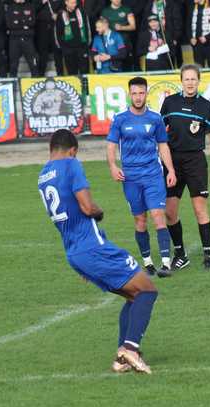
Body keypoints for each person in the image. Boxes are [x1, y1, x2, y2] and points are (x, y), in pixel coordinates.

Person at [38, 128, 160, 374]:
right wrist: (99, 211)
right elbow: (86, 206)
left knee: (132, 295)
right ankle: (130, 349)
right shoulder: (71, 165)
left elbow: (64, 221)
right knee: (147, 290)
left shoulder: (42, 176)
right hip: (92, 247)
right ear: (73, 150)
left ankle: (122, 358)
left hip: (75, 252)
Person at [106, 77, 177, 276]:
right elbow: (111, 146)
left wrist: (170, 170)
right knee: (140, 220)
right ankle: (147, 262)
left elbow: (163, 145)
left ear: (146, 94)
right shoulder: (120, 119)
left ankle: (165, 263)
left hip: (153, 175)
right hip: (130, 178)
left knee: (158, 216)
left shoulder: (155, 119)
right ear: (130, 94)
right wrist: (112, 166)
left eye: (141, 93)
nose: (138, 97)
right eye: (134, 93)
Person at [160, 64, 210, 270]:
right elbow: (160, 134)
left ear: (199, 80)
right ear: (181, 80)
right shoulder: (170, 103)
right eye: (186, 79)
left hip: (196, 161)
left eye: (193, 79)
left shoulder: (206, 106)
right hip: (172, 162)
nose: (190, 83)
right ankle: (180, 254)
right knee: (169, 211)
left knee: (199, 209)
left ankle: (208, 255)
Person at [143, 0, 183, 69]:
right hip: (154, 37)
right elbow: (146, 21)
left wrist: (175, 38)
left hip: (169, 37)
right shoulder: (149, 5)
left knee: (171, 60)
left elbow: (178, 23)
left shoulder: (172, 4)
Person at [55, 0, 91, 75]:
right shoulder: (61, 14)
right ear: (66, 2)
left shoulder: (82, 12)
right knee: (72, 73)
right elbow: (57, 32)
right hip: (68, 49)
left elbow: (88, 29)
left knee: (85, 73)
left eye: (75, 2)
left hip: (82, 48)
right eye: (72, 2)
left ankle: (85, 87)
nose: (74, 4)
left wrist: (86, 44)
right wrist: (63, 47)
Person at [6, 0, 39, 78]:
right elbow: (9, 24)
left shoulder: (30, 6)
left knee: (33, 63)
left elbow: (32, 22)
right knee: (13, 65)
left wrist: (17, 23)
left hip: (28, 39)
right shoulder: (10, 7)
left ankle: (35, 84)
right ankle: (13, 87)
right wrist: (24, 24)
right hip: (14, 39)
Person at [101, 0, 136, 71]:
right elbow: (101, 27)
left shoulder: (126, 9)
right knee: (111, 65)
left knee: (126, 64)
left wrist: (122, 27)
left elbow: (133, 26)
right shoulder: (105, 11)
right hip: (110, 42)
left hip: (124, 41)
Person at [35, 0, 64, 76]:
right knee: (42, 53)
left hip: (55, 26)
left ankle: (60, 74)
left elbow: (63, 7)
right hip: (42, 27)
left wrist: (58, 14)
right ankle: (40, 75)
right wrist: (42, 2)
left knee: (57, 51)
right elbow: (33, 8)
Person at [188, 0, 210, 68]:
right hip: (196, 45)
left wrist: (207, 37)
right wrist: (190, 38)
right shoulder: (191, 7)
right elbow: (188, 25)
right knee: (198, 70)